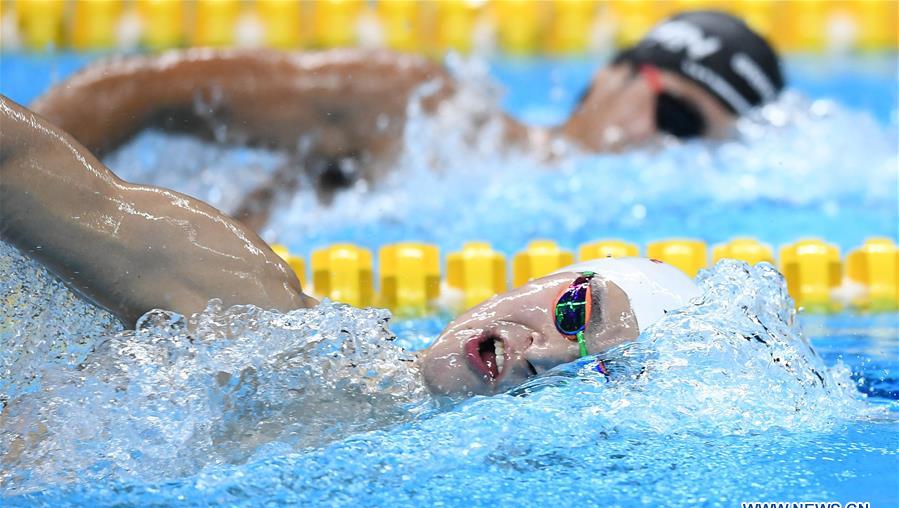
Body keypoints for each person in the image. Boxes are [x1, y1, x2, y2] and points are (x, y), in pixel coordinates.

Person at [1, 94, 698, 400]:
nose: (547, 356)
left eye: (589, 376)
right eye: (574, 315)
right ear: (549, 277)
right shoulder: (254, 314)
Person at [30, 10, 783, 229]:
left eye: (700, 144)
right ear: (614, 73)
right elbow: (138, 89)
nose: (665, 146)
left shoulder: (630, 229)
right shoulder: (420, 109)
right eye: (677, 115)